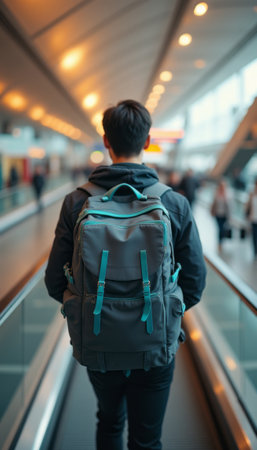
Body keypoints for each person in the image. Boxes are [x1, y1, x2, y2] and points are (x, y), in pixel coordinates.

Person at [45, 100, 206, 450]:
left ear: (106, 141)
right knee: (147, 438)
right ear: (148, 141)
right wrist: (162, 312)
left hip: (99, 339)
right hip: (155, 344)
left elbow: (54, 282)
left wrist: (92, 307)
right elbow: (195, 283)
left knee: (109, 420)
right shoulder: (173, 203)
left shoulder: (77, 202)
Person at [210, 179, 231, 252]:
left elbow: (230, 206)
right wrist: (212, 211)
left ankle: (220, 241)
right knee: (219, 228)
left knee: (222, 229)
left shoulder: (228, 194)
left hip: (224, 215)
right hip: (217, 214)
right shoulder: (216, 193)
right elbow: (213, 203)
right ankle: (219, 241)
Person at [245, 178, 257, 258]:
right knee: (254, 236)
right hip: (253, 219)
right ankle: (255, 252)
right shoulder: (252, 194)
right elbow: (247, 206)